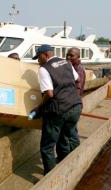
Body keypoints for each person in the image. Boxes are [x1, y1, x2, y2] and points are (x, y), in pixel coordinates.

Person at [31, 44, 82, 175]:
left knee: (47, 146)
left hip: (58, 110)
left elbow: (49, 93)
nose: (38, 60)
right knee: (66, 136)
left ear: (46, 55)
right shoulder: (66, 62)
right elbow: (77, 79)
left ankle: (50, 176)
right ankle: (68, 164)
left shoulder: (44, 69)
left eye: (39, 57)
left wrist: (40, 106)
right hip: (75, 105)